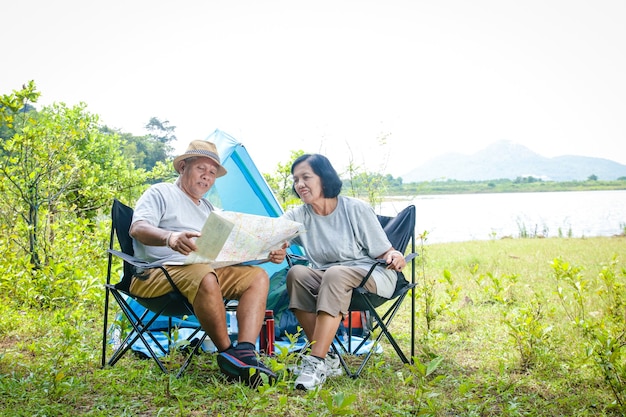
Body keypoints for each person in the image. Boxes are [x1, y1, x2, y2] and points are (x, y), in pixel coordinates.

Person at [129, 140, 287, 387]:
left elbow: (225, 252)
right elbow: (137, 228)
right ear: (183, 167)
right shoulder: (161, 192)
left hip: (204, 271)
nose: (207, 176)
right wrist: (170, 237)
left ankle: (244, 352)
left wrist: (267, 254)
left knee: (257, 276)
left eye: (212, 172)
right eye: (201, 168)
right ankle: (228, 354)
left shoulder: (208, 209)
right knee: (204, 273)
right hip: (158, 273)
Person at [282, 154, 407, 390]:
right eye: (296, 179)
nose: (299, 184)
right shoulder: (299, 216)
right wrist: (275, 245)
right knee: (296, 274)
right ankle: (327, 357)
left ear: (324, 178)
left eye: (306, 177)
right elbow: (274, 234)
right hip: (329, 279)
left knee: (335, 273)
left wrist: (395, 255)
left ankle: (315, 361)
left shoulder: (355, 209)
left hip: (371, 276)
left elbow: (384, 251)